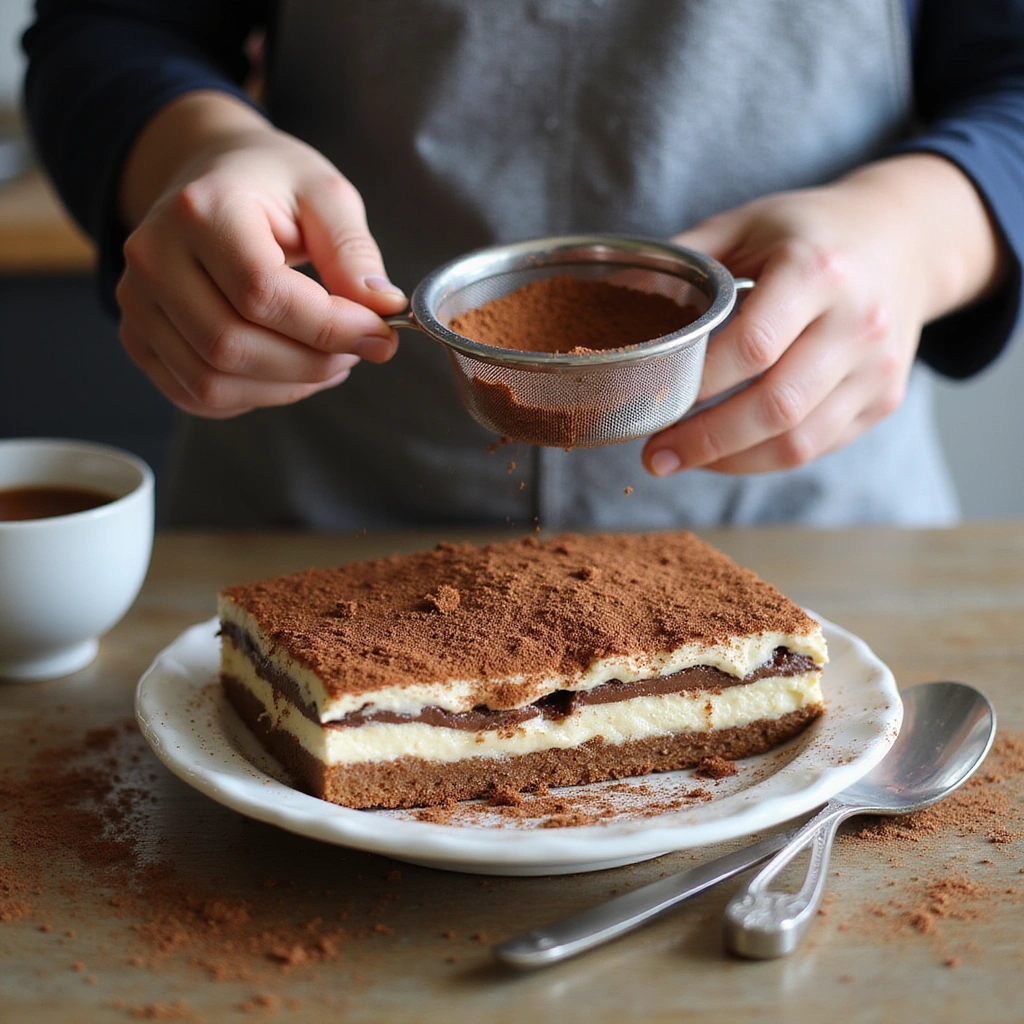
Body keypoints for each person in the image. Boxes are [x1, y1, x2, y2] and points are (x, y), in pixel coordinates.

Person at [22, 1, 1024, 530]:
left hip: (804, 529)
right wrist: (196, 150)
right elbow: (112, 24)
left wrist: (910, 232)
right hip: (322, 510)